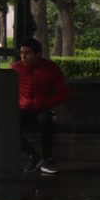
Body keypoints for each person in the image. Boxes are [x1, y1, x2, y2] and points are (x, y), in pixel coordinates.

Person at [11, 38, 70, 174]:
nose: (24, 56)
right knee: (10, 125)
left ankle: (46, 159)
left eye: (28, 53)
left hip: (43, 107)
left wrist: (47, 102)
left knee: (46, 121)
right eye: (21, 53)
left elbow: (64, 92)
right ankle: (33, 155)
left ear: (38, 54)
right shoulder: (16, 68)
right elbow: (7, 89)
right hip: (23, 108)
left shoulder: (51, 68)